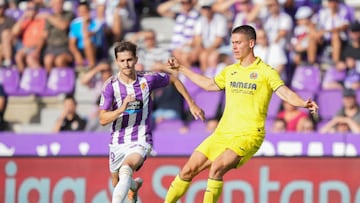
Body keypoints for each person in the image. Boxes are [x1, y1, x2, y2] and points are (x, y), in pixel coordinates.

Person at [164, 25, 318, 203]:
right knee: (187, 170)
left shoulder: (266, 72)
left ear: (251, 43)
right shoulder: (231, 71)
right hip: (222, 133)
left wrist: (302, 103)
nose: (234, 47)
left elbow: (284, 92)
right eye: (232, 43)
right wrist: (181, 68)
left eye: (238, 43)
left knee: (217, 167)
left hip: (248, 135)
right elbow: (208, 84)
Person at [98, 41, 205, 203]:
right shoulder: (110, 87)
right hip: (117, 141)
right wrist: (121, 109)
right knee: (118, 182)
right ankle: (134, 186)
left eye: (129, 60)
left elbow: (174, 80)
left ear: (136, 59)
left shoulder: (147, 79)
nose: (126, 64)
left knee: (126, 169)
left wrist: (191, 103)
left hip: (141, 138)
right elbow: (102, 119)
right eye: (122, 61)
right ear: (116, 62)